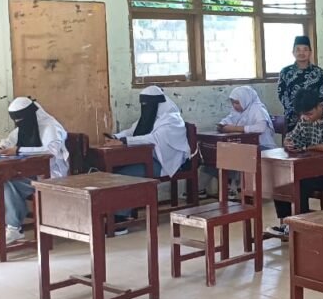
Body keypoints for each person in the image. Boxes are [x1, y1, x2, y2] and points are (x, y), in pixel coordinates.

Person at [0, 97, 69, 246]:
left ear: (29, 114)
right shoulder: (24, 126)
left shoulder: (50, 127)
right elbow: (10, 140)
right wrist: (2, 147)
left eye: (20, 119)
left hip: (50, 175)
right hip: (28, 172)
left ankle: (14, 228)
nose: (18, 122)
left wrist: (19, 150)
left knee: (7, 183)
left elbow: (50, 150)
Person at [267, 88, 323, 236]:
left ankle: (302, 228)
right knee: (281, 182)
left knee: (299, 184)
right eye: (303, 115)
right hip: (311, 169)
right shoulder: (305, 119)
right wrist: (288, 142)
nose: (306, 118)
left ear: (320, 106)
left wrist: (304, 147)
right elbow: (292, 137)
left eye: (309, 114)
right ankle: (287, 224)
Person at [106, 86, 190, 231]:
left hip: (164, 162)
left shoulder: (172, 120)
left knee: (125, 176)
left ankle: (120, 219)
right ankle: (115, 213)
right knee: (116, 170)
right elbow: (133, 130)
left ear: (157, 103)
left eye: (147, 104)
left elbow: (153, 139)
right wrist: (116, 137)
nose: (145, 107)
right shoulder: (151, 115)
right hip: (147, 159)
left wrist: (125, 141)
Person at [202, 86, 277, 196]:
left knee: (237, 154)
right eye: (233, 103)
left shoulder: (258, 109)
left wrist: (236, 129)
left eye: (237, 103)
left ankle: (233, 187)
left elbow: (261, 128)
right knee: (216, 155)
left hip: (263, 146)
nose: (235, 106)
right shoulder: (238, 111)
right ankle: (202, 189)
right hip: (246, 146)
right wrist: (222, 125)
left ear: (245, 99)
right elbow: (229, 119)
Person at [277, 35, 323, 129]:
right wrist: (297, 112)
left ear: (310, 52)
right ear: (293, 52)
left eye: (305, 49)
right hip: (292, 119)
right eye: (298, 49)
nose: (301, 53)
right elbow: (282, 95)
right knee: (292, 139)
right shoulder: (285, 72)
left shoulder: (320, 73)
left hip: (314, 119)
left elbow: (322, 97)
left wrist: (310, 113)